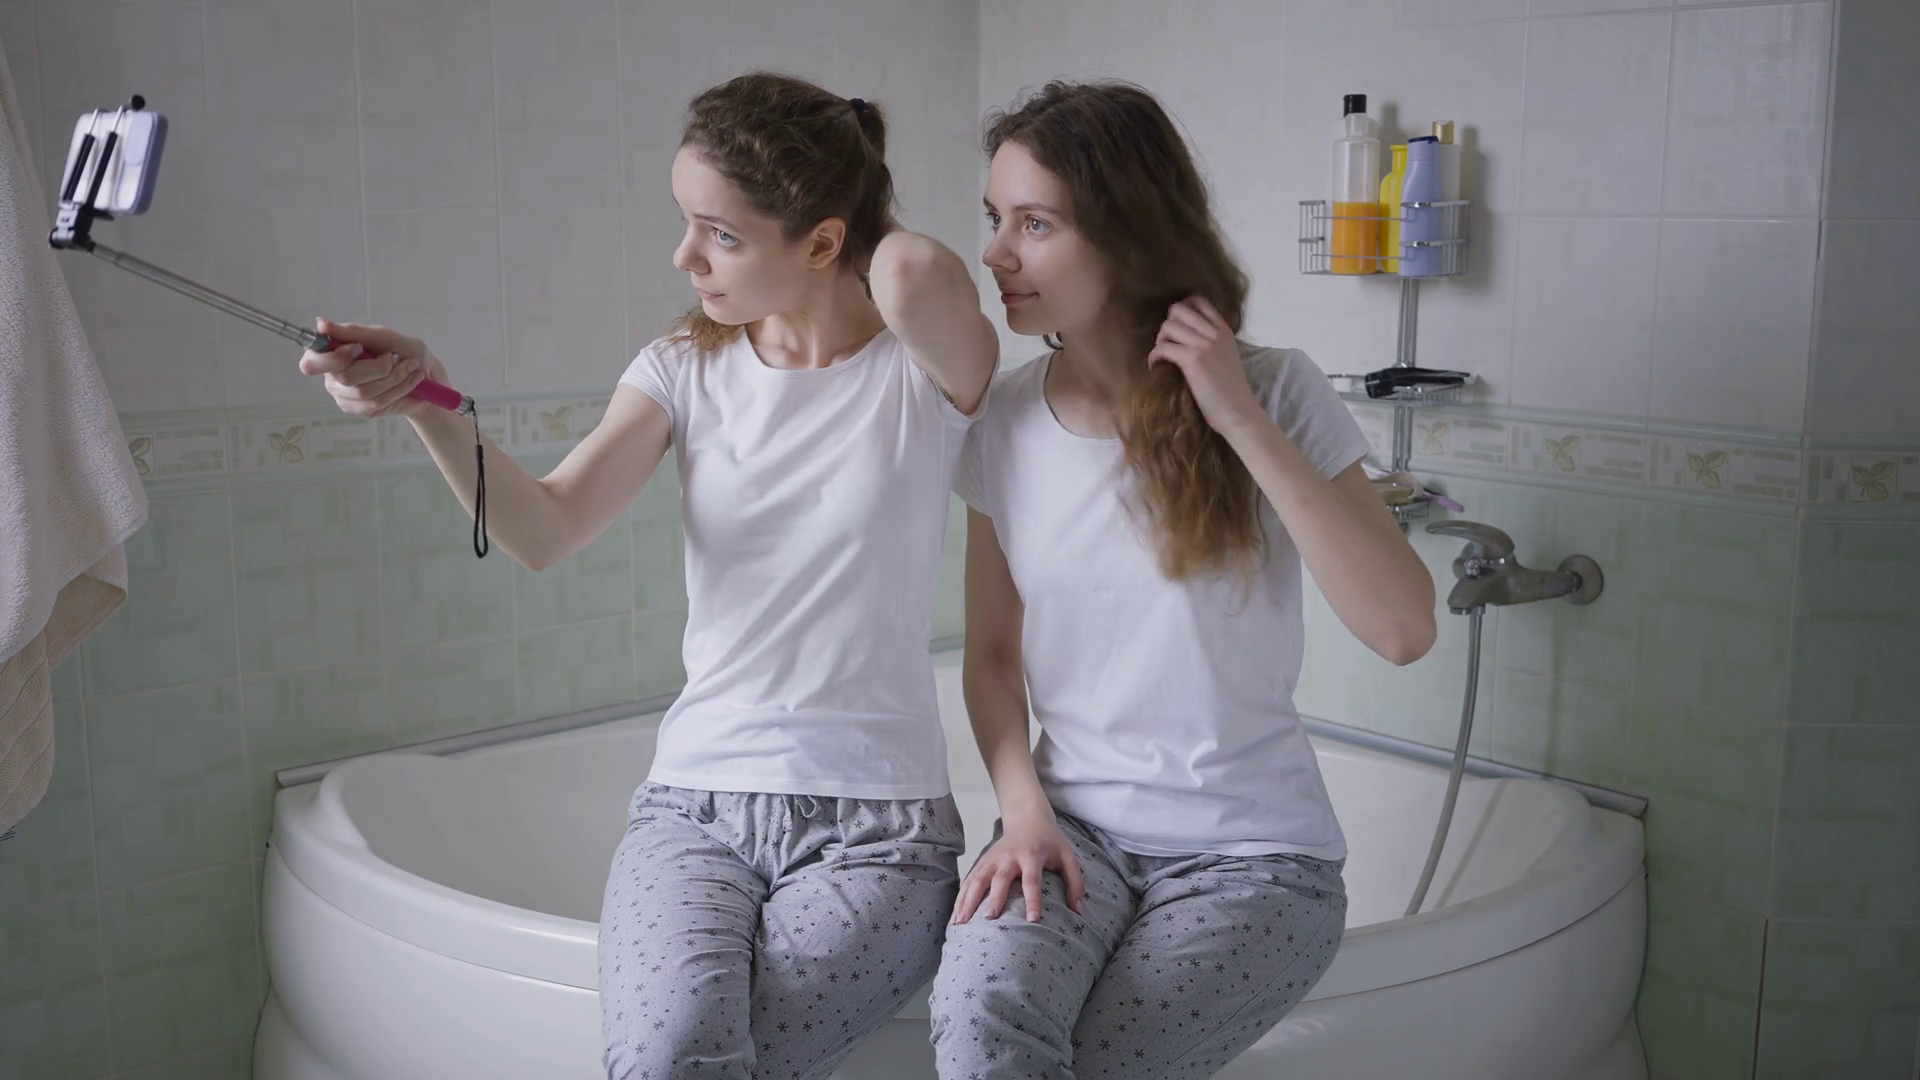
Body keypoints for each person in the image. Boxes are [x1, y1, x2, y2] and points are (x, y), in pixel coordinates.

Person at [299, 72, 997, 1080]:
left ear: (824, 242)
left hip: (880, 829)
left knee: (700, 1058)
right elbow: (545, 528)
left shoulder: (923, 375)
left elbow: (920, 270)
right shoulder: (683, 366)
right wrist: (425, 405)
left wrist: (853, 191)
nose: (684, 258)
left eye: (720, 233)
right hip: (695, 810)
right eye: (687, 223)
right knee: (672, 1049)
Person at [927, 80, 1437, 1079]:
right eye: (995, 220)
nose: (995, 253)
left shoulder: (1277, 388)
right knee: (983, 1023)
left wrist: (1236, 414)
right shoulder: (1007, 421)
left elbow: (1402, 629)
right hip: (1072, 831)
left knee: (1107, 1058)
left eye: (1034, 223)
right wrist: (1022, 811)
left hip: (1258, 862)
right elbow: (990, 656)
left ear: (1126, 234)